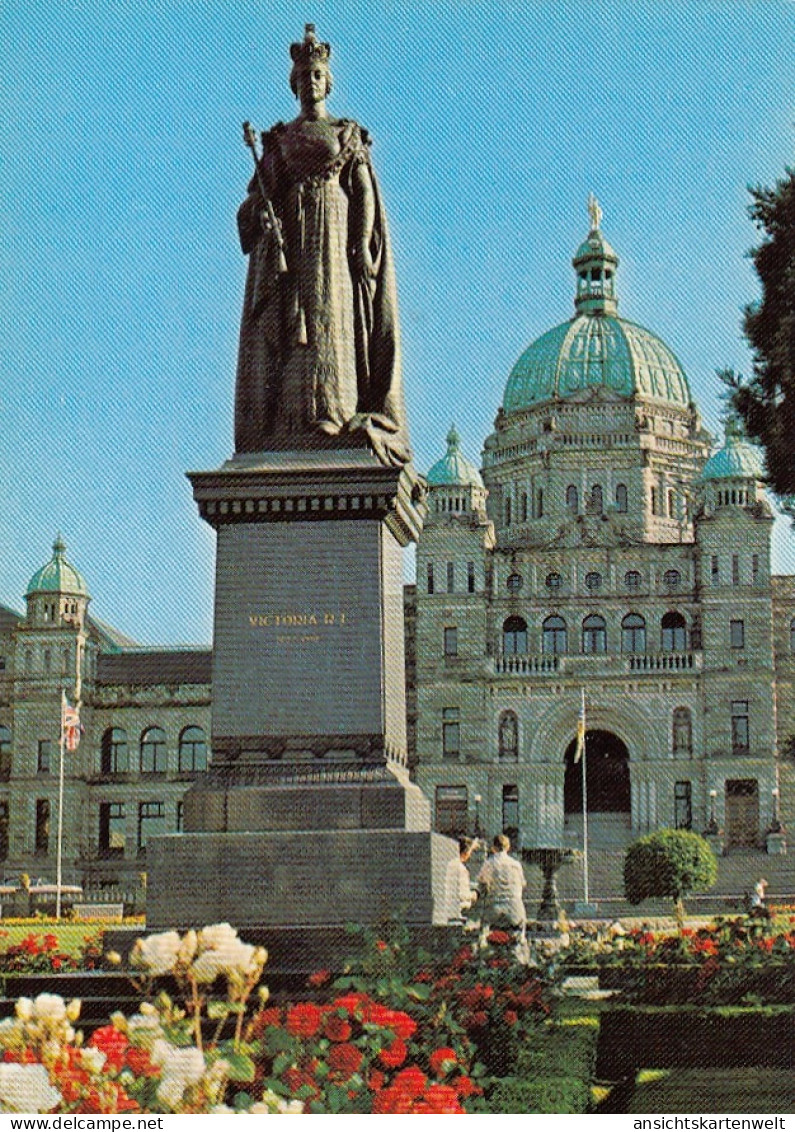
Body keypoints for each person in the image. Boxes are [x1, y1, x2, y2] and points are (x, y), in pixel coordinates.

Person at [234, 24, 410, 466]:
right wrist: (261, 214)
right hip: (294, 242)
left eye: (317, 75)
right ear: (294, 84)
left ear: (327, 81)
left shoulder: (346, 133)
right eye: (304, 76)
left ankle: (335, 412)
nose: (311, 82)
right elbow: (260, 195)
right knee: (296, 327)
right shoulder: (280, 140)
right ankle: (291, 422)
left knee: (334, 324)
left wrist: (363, 245)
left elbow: (364, 189)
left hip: (335, 245)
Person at [476, 834, 527, 931]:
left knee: (484, 932)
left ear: (493, 848)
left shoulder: (489, 863)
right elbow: (523, 884)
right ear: (508, 847)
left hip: (495, 909)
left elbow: (482, 882)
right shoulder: (516, 864)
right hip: (515, 909)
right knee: (519, 936)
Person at [444, 837, 478, 922]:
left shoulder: (450, 864)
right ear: (466, 852)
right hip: (459, 910)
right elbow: (462, 895)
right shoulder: (461, 869)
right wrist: (473, 895)